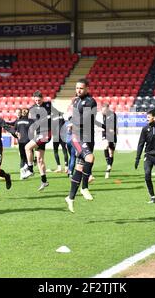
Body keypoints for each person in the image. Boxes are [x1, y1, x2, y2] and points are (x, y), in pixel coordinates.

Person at [65, 79, 97, 213]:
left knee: (79, 168)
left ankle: (70, 198)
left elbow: (88, 118)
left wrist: (74, 123)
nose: (78, 90)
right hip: (77, 138)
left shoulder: (90, 101)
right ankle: (84, 187)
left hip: (88, 138)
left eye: (81, 88)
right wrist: (71, 122)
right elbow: (75, 117)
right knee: (90, 158)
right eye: (77, 88)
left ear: (87, 89)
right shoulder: (76, 101)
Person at [23, 91, 56, 192]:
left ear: (42, 98)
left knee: (27, 147)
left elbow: (52, 116)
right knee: (40, 159)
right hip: (39, 134)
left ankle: (30, 169)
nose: (37, 101)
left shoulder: (48, 105)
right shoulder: (32, 108)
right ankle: (44, 181)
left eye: (39, 99)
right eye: (36, 100)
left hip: (46, 133)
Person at [15, 108, 34, 179]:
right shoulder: (31, 121)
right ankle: (29, 169)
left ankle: (22, 174)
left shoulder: (18, 121)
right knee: (30, 157)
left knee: (22, 158)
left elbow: (15, 131)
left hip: (21, 142)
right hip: (29, 141)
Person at [101, 103, 118, 179]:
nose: (103, 111)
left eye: (104, 110)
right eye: (102, 110)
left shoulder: (113, 115)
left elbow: (113, 127)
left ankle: (108, 169)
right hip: (105, 133)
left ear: (107, 109)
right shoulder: (104, 115)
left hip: (112, 135)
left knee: (111, 153)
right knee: (105, 146)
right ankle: (108, 165)